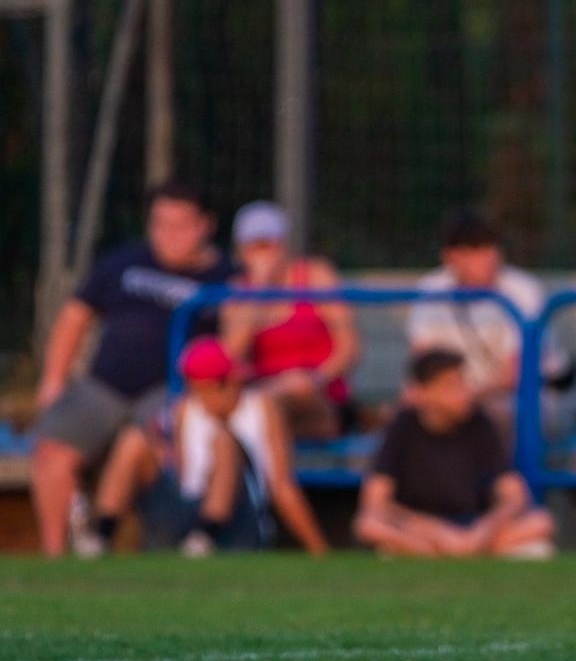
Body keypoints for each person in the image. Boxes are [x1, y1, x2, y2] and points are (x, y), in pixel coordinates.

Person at [30, 179, 235, 556]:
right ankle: (56, 557)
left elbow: (236, 345)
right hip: (104, 385)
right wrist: (54, 379)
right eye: (160, 224)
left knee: (146, 445)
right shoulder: (122, 263)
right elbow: (75, 318)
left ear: (207, 225)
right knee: (51, 451)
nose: (169, 235)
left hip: (171, 391)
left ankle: (118, 539)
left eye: (181, 225)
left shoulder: (226, 277)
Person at [82, 337, 328, 556]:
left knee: (223, 441)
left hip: (240, 519)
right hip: (187, 509)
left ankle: (207, 535)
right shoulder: (183, 410)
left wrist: (318, 549)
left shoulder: (261, 407)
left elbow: (281, 485)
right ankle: (101, 534)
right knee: (132, 440)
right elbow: (181, 473)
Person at [353, 349, 555, 558]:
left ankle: (450, 554)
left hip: (471, 527)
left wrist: (484, 529)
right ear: (423, 393)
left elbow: (514, 496)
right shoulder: (402, 426)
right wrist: (437, 531)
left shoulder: (480, 423)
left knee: (541, 522)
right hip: (421, 529)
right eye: (451, 385)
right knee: (369, 525)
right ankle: (452, 553)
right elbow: (376, 501)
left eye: (463, 382)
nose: (464, 391)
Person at [219, 202, 360, 441]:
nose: (264, 254)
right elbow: (231, 356)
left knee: (263, 407)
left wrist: (314, 379)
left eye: (270, 244)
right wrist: (260, 290)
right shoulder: (237, 292)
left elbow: (350, 347)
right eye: (254, 246)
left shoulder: (316, 276)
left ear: (285, 245)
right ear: (241, 251)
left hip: (320, 396)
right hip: (261, 399)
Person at [406, 210, 550, 437]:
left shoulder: (524, 291)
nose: (489, 258)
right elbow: (423, 363)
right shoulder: (431, 289)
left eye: (491, 247)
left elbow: (515, 374)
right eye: (474, 250)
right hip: (453, 396)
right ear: (450, 256)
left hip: (520, 396)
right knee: (402, 417)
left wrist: (462, 398)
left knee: (497, 417)